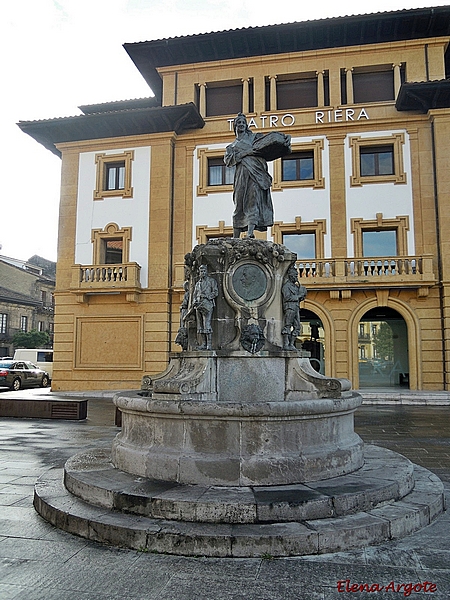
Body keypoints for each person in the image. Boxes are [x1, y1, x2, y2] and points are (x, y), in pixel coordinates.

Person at [224, 113, 290, 238]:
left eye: (243, 123)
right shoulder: (231, 147)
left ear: (246, 125)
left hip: (256, 174)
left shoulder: (255, 138)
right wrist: (245, 153)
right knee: (239, 203)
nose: (241, 125)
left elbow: (270, 144)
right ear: (235, 126)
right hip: (241, 175)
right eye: (239, 123)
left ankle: (250, 233)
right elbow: (228, 161)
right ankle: (235, 237)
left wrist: (286, 139)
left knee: (253, 200)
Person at [281, 265, 307, 350]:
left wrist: (302, 295)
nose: (296, 278)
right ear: (291, 276)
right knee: (287, 325)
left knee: (297, 327)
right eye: (295, 276)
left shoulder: (296, 287)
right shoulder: (286, 286)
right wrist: (298, 296)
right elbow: (287, 297)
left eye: (296, 276)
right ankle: (286, 344)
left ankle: (292, 344)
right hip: (289, 307)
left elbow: (298, 297)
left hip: (296, 307)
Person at [192, 264, 218, 350]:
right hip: (199, 305)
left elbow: (215, 292)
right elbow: (194, 294)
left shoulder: (211, 281)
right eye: (201, 271)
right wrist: (194, 301)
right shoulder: (197, 284)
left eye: (204, 271)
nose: (202, 273)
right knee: (200, 325)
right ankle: (203, 344)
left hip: (207, 304)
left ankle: (209, 344)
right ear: (199, 273)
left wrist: (208, 296)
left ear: (206, 272)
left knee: (207, 324)